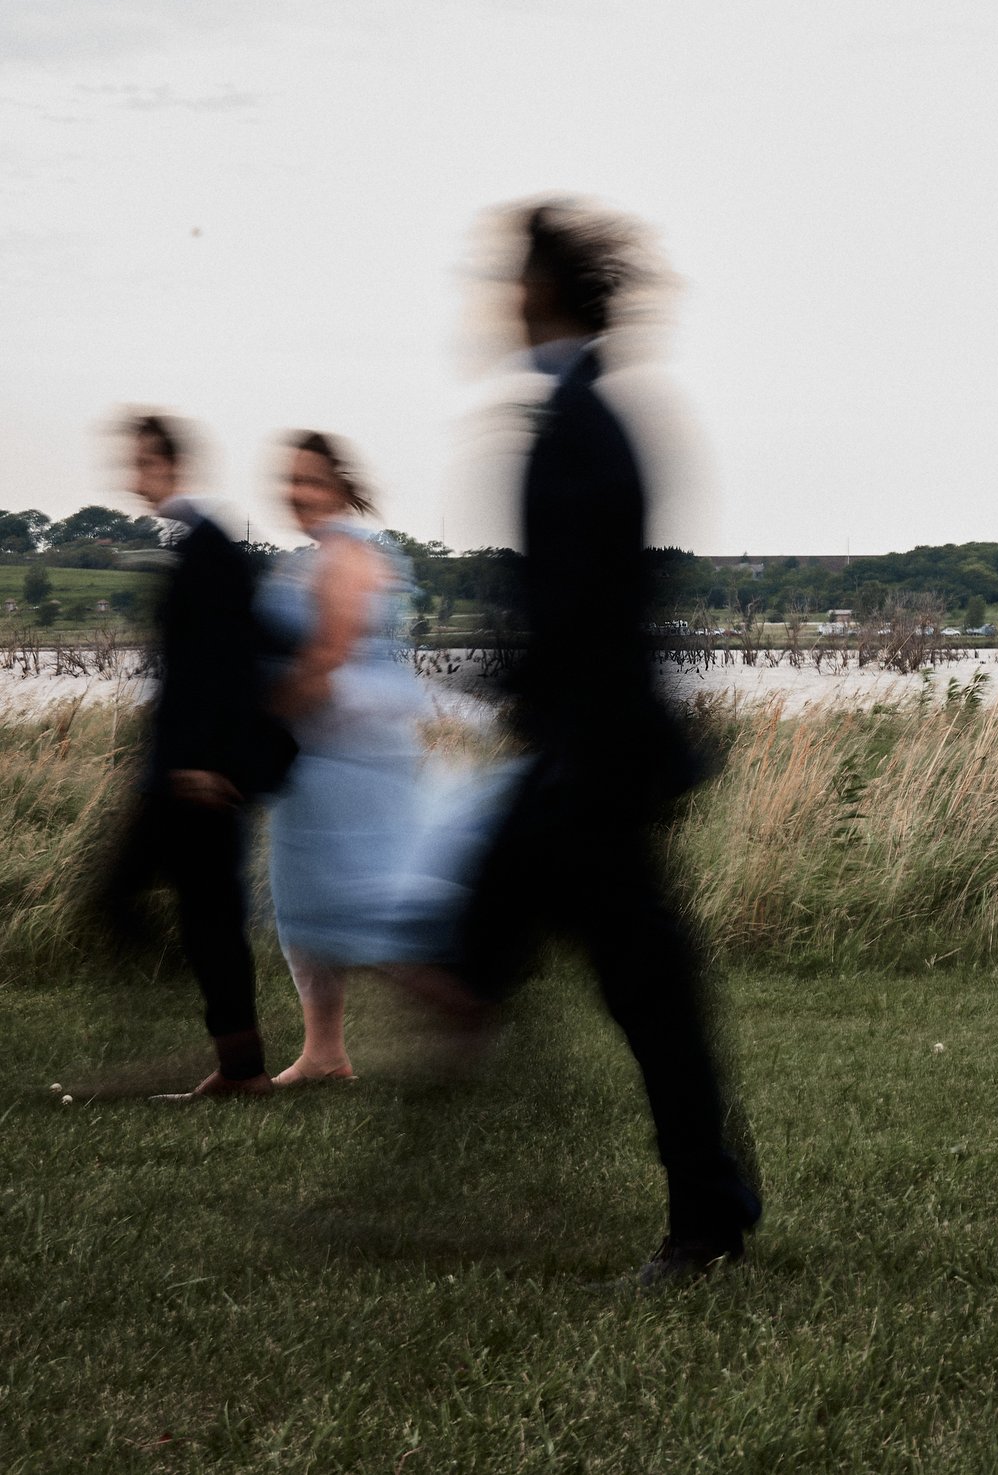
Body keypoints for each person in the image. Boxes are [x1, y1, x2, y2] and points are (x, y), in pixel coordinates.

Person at [446, 199, 759, 1286]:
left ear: (541, 293)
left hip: (594, 763)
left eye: (506, 280)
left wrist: (523, 683)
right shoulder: (581, 411)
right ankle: (702, 1202)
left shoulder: (577, 420)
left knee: (619, 992)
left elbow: (582, 607)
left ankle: (704, 1217)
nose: (494, 300)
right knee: (599, 985)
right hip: (589, 756)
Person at [100, 411, 295, 1100]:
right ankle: (241, 1068)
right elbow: (259, 642)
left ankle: (228, 1055)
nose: (133, 477)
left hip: (197, 772)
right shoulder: (205, 545)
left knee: (123, 896)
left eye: (143, 462)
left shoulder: (208, 548)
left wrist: (207, 761)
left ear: (170, 465)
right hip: (196, 767)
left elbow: (223, 667)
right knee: (208, 915)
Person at [255, 431, 438, 1085]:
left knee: (343, 905)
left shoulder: (346, 558)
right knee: (305, 903)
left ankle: (464, 1008)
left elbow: (329, 657)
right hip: (324, 750)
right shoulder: (320, 557)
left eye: (309, 479)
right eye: (290, 479)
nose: (296, 492)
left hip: (346, 753)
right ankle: (323, 1051)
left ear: (338, 485)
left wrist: (261, 716)